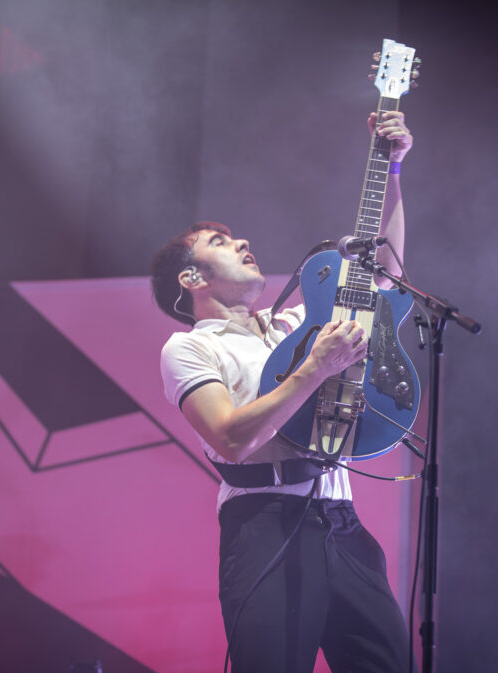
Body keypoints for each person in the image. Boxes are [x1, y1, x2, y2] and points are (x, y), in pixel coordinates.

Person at [152, 110, 415, 673]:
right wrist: (313, 369)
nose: (242, 241)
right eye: (220, 242)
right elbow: (230, 440)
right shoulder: (191, 349)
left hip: (342, 518)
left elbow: (382, 278)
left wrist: (392, 170)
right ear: (192, 279)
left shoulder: (296, 322)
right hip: (263, 522)